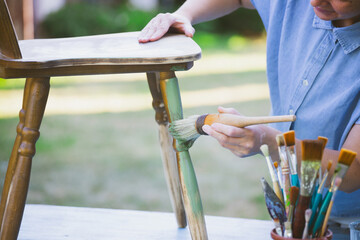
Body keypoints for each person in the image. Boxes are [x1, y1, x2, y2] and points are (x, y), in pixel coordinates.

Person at [139, 0, 360, 238]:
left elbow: (351, 171)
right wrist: (184, 14)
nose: (315, 2)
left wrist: (271, 141)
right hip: (293, 218)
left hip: (348, 226)